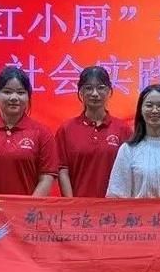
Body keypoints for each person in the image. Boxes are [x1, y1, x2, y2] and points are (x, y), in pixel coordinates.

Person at [0, 66, 59, 196]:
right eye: (7, 92)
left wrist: (29, 207)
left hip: (30, 208)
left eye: (20, 92)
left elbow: (46, 178)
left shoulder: (43, 134)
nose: (14, 97)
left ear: (28, 97)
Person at [55, 66, 132, 198]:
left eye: (101, 88)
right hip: (79, 206)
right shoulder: (66, 129)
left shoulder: (123, 129)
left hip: (114, 206)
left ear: (110, 91)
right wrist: (71, 203)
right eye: (88, 88)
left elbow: (129, 171)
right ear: (80, 92)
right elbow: (62, 169)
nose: (95, 93)